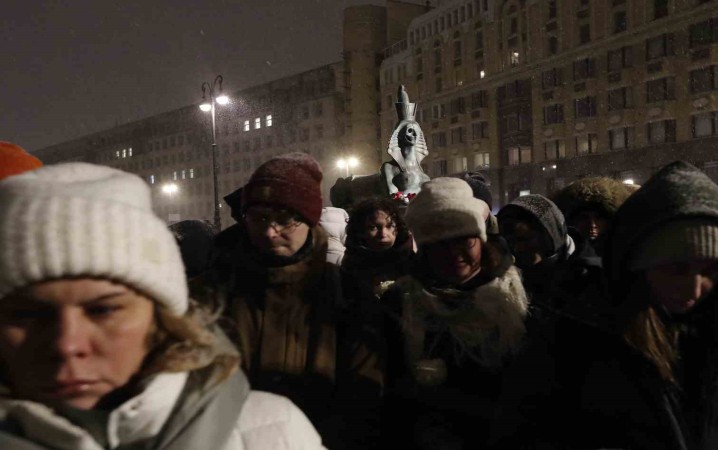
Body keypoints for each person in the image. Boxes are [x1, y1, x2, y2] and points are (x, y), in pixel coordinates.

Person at [0, 162, 323, 449]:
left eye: (103, 310)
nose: (67, 344)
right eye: (28, 315)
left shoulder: (272, 433)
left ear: (161, 318)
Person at [490, 161, 718, 450]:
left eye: (711, 271)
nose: (694, 287)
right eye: (676, 268)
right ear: (638, 266)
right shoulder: (573, 346)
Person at [210, 153, 383, 450]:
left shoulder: (346, 294)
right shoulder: (211, 292)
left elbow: (365, 393)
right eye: (259, 218)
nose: (269, 231)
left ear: (309, 219)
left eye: (285, 220)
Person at [381, 178, 529, 450]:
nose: (453, 253)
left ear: (480, 239)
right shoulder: (401, 302)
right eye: (440, 243)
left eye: (464, 239)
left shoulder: (516, 298)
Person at [497, 194, 598, 310]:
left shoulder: (589, 275)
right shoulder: (503, 273)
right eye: (510, 240)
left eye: (525, 238)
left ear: (551, 235)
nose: (517, 248)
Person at [342, 197, 414, 302]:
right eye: (373, 227)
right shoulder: (352, 264)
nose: (383, 234)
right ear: (360, 231)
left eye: (389, 226)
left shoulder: (409, 258)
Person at [552, 176, 633, 252]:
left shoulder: (626, 251)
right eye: (583, 217)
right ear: (571, 221)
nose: (592, 224)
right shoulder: (561, 253)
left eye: (599, 217)